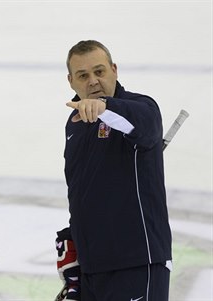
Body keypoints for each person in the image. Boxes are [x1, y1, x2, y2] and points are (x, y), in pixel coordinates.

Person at [56, 40, 172, 301]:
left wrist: (106, 107)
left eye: (100, 71)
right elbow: (85, 191)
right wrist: (74, 243)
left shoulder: (142, 108)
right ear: (71, 81)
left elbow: (146, 127)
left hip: (136, 264)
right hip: (93, 269)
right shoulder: (75, 125)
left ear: (114, 70)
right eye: (83, 75)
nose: (93, 81)